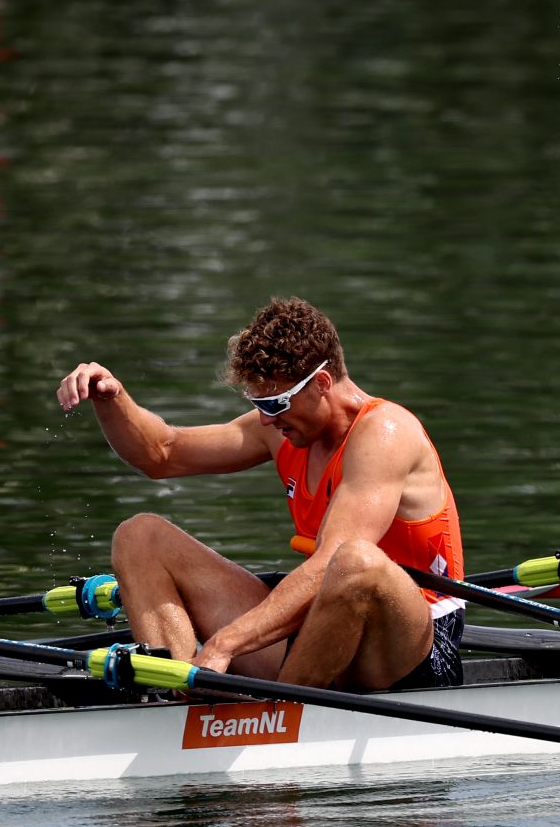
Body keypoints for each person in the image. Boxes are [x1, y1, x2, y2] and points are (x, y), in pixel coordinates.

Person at [55, 296, 465, 691]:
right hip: (321, 628)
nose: (268, 420)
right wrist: (113, 399)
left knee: (355, 561)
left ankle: (275, 717)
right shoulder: (281, 428)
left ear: (321, 382)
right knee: (139, 535)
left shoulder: (386, 431)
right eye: (259, 404)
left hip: (410, 646)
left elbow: (329, 566)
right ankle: (180, 692)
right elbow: (162, 454)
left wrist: (224, 643)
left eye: (276, 404)